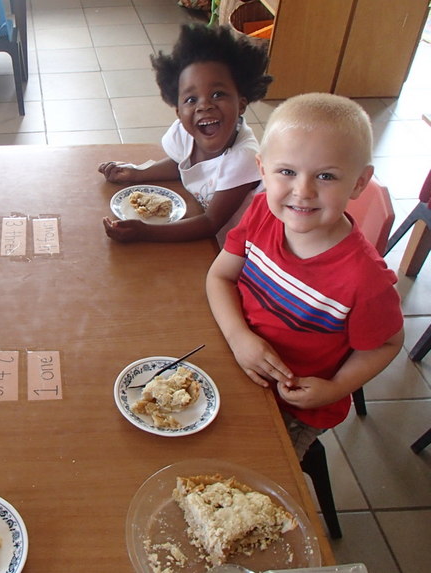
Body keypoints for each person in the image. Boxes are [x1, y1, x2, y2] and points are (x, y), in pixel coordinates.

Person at [205, 93, 404, 459]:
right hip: (235, 356)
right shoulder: (262, 213)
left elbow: (387, 344)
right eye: (287, 172)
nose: (303, 191)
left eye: (326, 176)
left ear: (359, 183)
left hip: (295, 408)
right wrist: (238, 337)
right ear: (262, 169)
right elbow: (220, 278)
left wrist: (336, 388)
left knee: (254, 470)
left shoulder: (365, 280)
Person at [99, 24, 272, 244]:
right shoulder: (185, 133)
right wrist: (136, 173)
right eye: (191, 99)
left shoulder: (243, 158)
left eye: (218, 94)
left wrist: (145, 232)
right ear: (179, 113)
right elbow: (182, 164)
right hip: (208, 238)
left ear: (242, 104)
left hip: (245, 248)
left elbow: (210, 222)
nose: (204, 105)